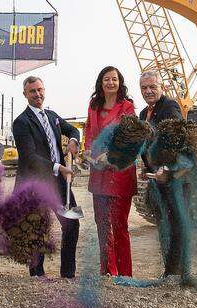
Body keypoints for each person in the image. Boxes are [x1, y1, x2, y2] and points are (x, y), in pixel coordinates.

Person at [12, 76, 81, 278]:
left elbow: (72, 129)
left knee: (72, 223)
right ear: (25, 94)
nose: (37, 94)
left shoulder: (52, 116)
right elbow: (29, 157)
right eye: (32, 91)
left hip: (59, 184)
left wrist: (74, 141)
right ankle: (37, 274)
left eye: (40, 90)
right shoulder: (21, 122)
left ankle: (68, 273)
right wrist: (59, 167)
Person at [84, 66, 136, 277]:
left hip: (119, 172)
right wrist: (88, 150)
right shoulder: (93, 105)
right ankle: (107, 271)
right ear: (101, 82)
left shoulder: (127, 107)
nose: (111, 83)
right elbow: (89, 130)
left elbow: (129, 137)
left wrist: (111, 155)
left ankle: (125, 274)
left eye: (114, 79)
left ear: (120, 82)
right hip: (99, 173)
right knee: (102, 225)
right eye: (107, 79)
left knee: (119, 225)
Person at [137, 70, 188, 278]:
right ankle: (171, 270)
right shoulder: (143, 114)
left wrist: (166, 169)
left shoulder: (170, 107)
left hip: (173, 177)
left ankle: (178, 273)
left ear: (162, 87)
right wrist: (146, 167)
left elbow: (176, 139)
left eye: (152, 87)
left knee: (177, 224)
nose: (148, 91)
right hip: (156, 179)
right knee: (164, 224)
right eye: (144, 88)